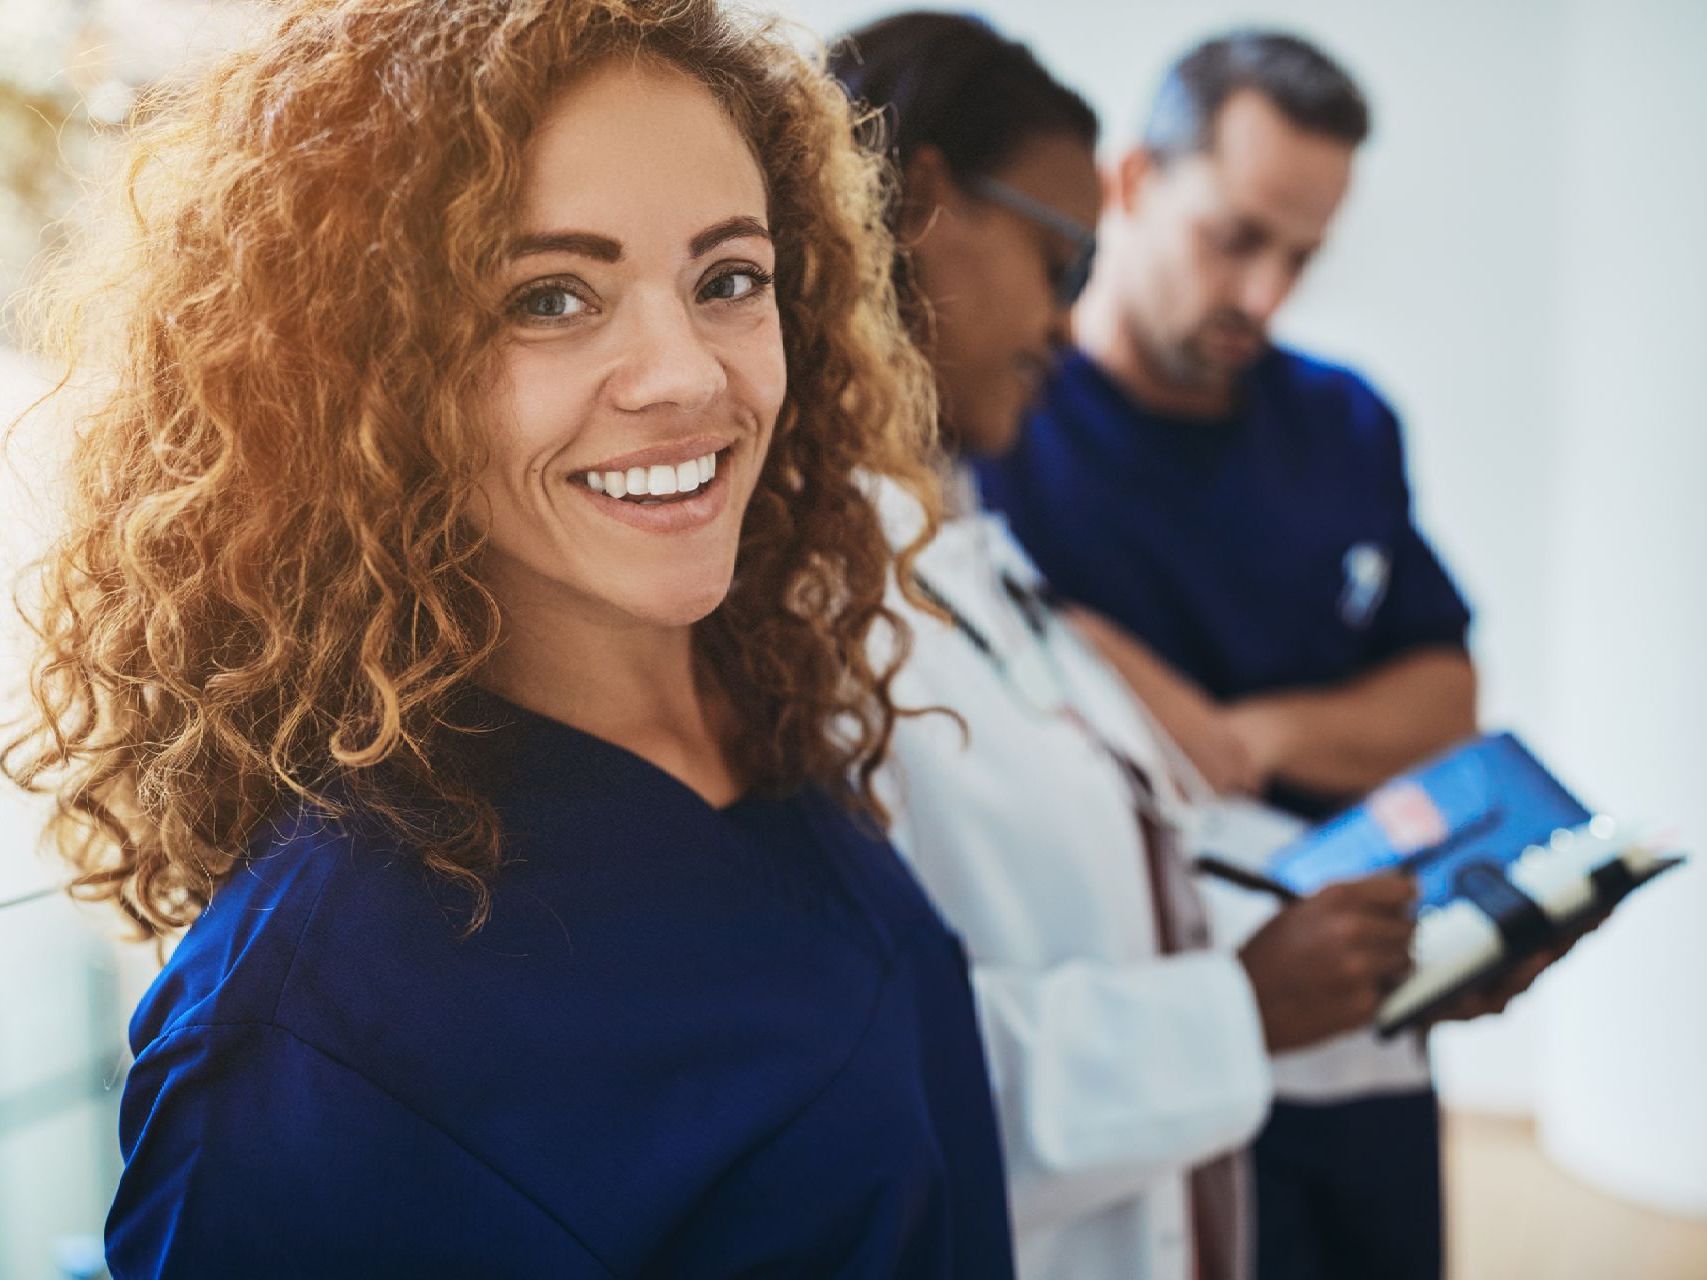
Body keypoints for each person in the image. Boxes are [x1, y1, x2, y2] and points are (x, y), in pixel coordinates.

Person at [1, 2, 1017, 1275]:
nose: (686, 373)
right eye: (550, 296)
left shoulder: (760, 714)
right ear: (369, 370)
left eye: (728, 280)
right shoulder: (318, 1027)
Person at [831, 15, 1434, 1280]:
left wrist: (1362, 961)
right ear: (923, 203)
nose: (1066, 317)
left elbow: (1123, 874)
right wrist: (1237, 1007)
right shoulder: (829, 597)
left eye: (1303, 255)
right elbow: (865, 1076)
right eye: (1061, 263)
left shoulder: (963, 540)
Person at [974, 29, 1493, 1280]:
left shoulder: (1343, 422)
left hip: (1365, 1043)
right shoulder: (998, 431)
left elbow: (1444, 695)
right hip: (1142, 1056)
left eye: (1303, 256)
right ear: (1136, 184)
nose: (1266, 295)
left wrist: (1242, 736)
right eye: (1237, 238)